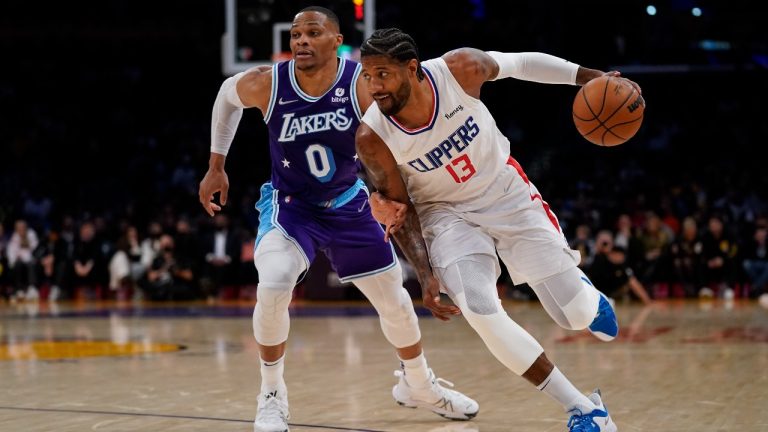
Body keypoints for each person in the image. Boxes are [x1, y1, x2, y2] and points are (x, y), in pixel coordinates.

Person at [198, 8, 478, 432]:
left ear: (337, 39)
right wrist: (217, 164)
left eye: (313, 32)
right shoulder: (269, 82)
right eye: (295, 34)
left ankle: (419, 385)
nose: (301, 41)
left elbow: (393, 144)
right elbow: (225, 95)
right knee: (273, 284)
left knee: (396, 303)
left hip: (350, 202)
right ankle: (271, 394)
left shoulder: (360, 84)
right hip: (291, 206)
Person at [355, 28, 635, 431]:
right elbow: (400, 209)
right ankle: (582, 408)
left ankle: (587, 298)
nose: (374, 86)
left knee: (574, 316)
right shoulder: (372, 136)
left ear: (412, 69)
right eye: (367, 76)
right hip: (445, 216)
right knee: (481, 309)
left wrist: (591, 77)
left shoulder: (459, 69)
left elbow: (521, 63)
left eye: (382, 74)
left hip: (504, 193)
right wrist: (426, 274)